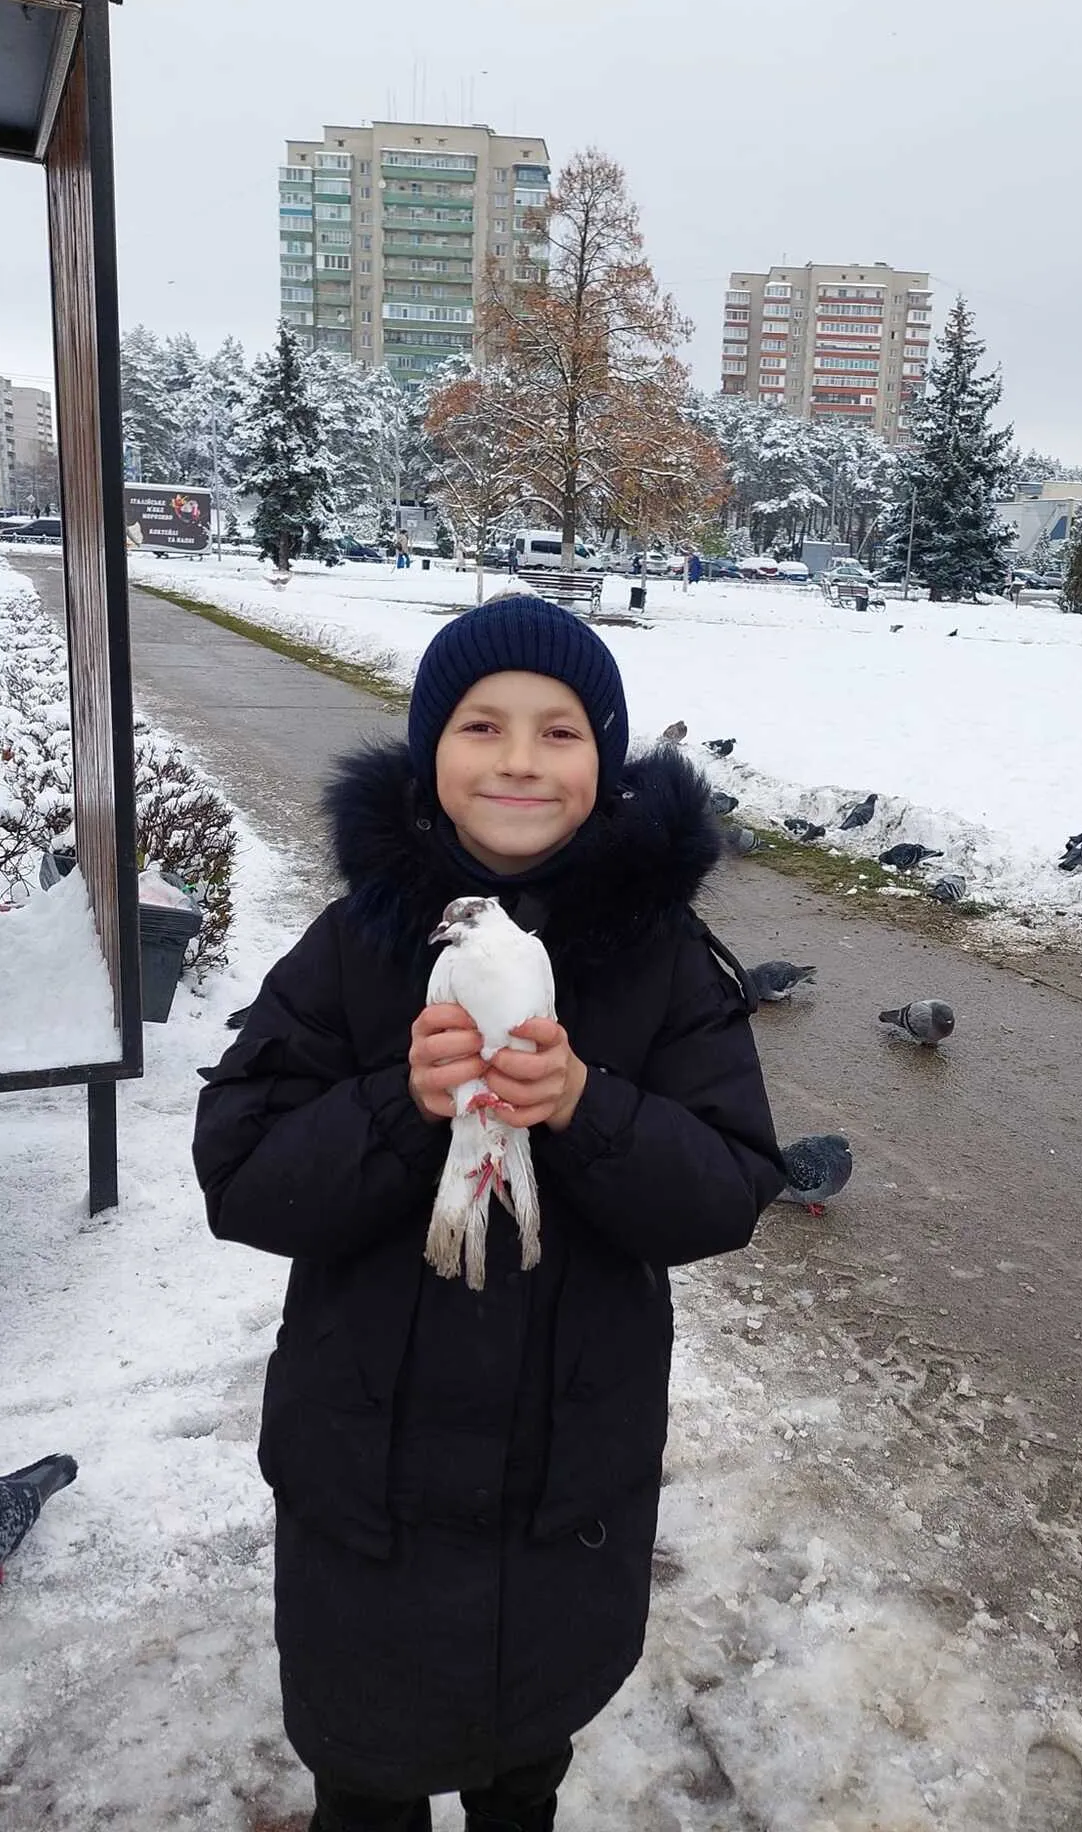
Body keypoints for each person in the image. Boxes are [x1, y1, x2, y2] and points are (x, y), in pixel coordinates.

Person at [193, 594, 784, 1832]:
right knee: (365, 1774)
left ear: (606, 761)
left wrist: (585, 1103)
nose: (519, 759)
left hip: (563, 1490)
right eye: (481, 724)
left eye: (560, 731)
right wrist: (400, 1103)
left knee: (525, 1761)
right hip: (369, 1495)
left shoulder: (664, 960)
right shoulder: (357, 946)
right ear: (429, 752)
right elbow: (243, 1175)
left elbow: (729, 1185)